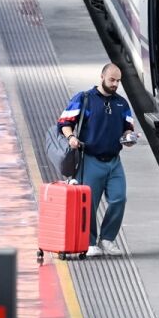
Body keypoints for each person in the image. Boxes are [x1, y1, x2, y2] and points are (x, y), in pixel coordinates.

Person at [57, 63, 138, 257]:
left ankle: (107, 239)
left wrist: (129, 138)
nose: (115, 84)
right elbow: (64, 122)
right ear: (102, 77)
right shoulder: (84, 99)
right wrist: (71, 137)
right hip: (90, 159)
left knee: (119, 198)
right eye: (112, 80)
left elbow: (128, 128)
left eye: (118, 81)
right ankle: (89, 242)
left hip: (114, 161)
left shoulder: (122, 104)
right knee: (89, 203)